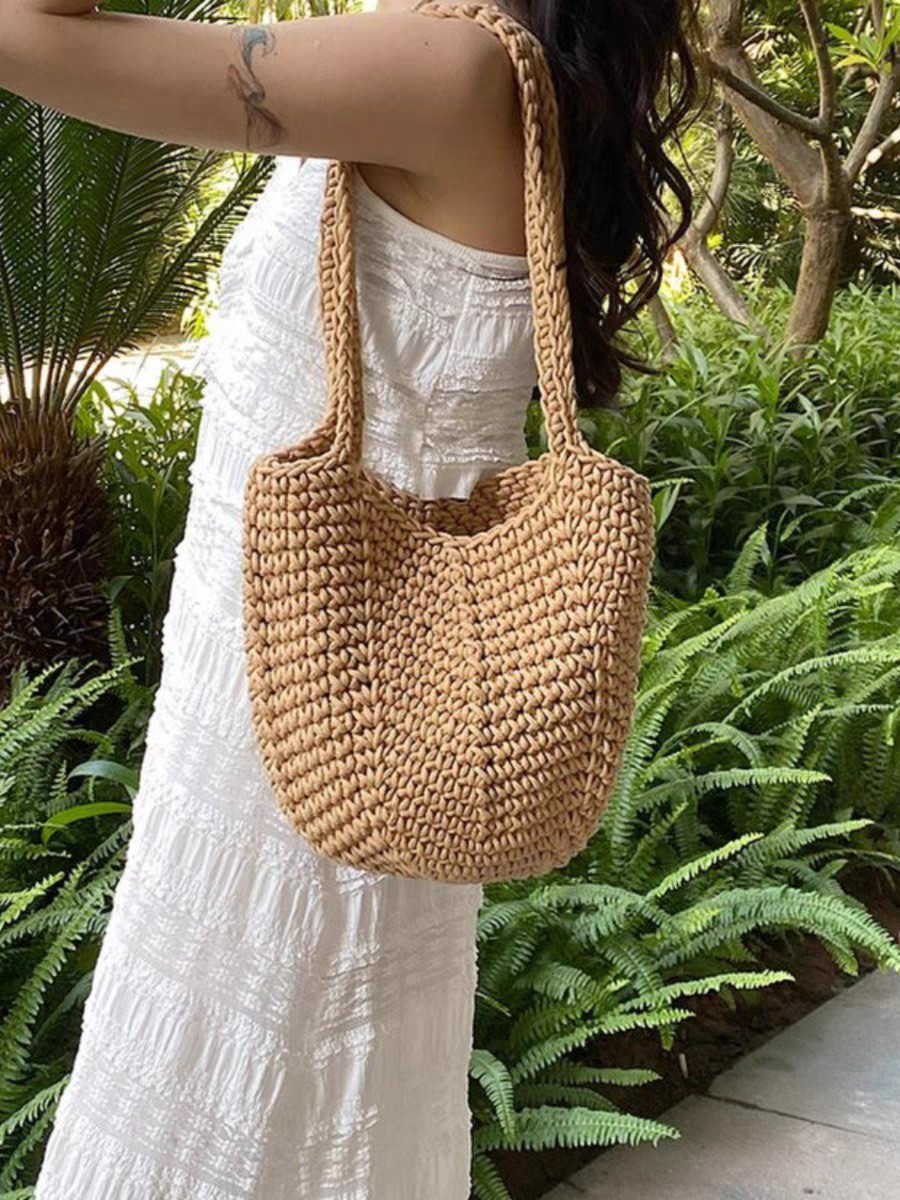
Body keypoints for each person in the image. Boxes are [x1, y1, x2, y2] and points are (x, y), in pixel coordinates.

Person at [1, 0, 697, 1195]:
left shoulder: (445, 64)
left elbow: (31, 35)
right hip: (330, 690)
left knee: (254, 1105)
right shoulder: (469, 60)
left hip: (329, 694)